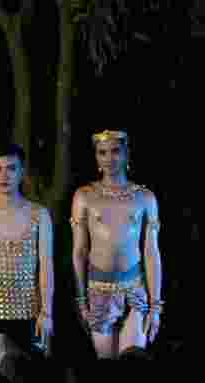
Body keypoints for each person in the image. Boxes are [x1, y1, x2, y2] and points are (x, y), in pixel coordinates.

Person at [71, 130, 163, 358]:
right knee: (107, 370)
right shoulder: (84, 195)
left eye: (115, 151)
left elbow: (151, 252)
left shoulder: (144, 197)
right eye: (102, 153)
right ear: (96, 158)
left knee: (133, 363)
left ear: (126, 154)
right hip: (98, 291)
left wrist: (155, 305)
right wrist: (81, 301)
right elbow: (80, 252)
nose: (109, 158)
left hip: (135, 290)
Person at [0, 143, 54, 373]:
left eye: (11, 168)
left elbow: (46, 265)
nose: (4, 175)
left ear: (22, 172)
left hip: (31, 310)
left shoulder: (39, 214)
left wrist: (47, 312)